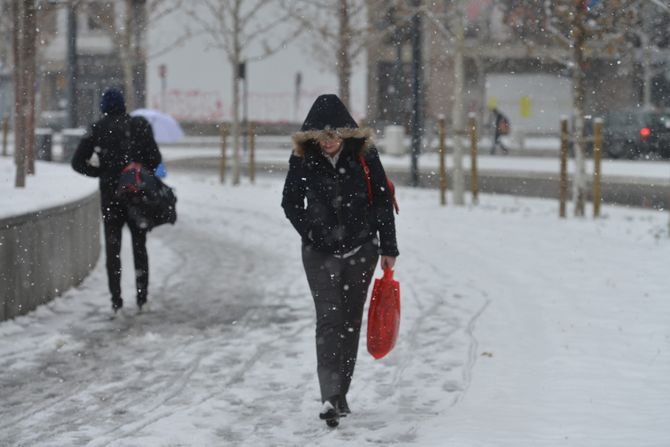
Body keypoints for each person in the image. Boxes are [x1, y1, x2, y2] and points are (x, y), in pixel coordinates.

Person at [281, 94, 399, 428]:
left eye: (333, 135)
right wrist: (311, 232)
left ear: (345, 135)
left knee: (350, 321)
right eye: (321, 136)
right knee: (329, 320)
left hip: (361, 250)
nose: (328, 142)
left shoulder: (365, 154)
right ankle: (329, 396)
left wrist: (388, 246)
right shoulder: (303, 158)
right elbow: (290, 203)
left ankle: (342, 392)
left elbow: (381, 201)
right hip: (319, 253)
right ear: (311, 137)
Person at [72, 88, 162, 313]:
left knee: (113, 251)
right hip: (137, 197)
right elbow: (155, 159)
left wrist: (100, 172)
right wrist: (139, 172)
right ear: (123, 105)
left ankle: (116, 301)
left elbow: (77, 162)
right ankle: (142, 298)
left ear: (103, 107)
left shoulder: (97, 129)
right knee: (139, 247)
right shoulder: (139, 126)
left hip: (111, 197)